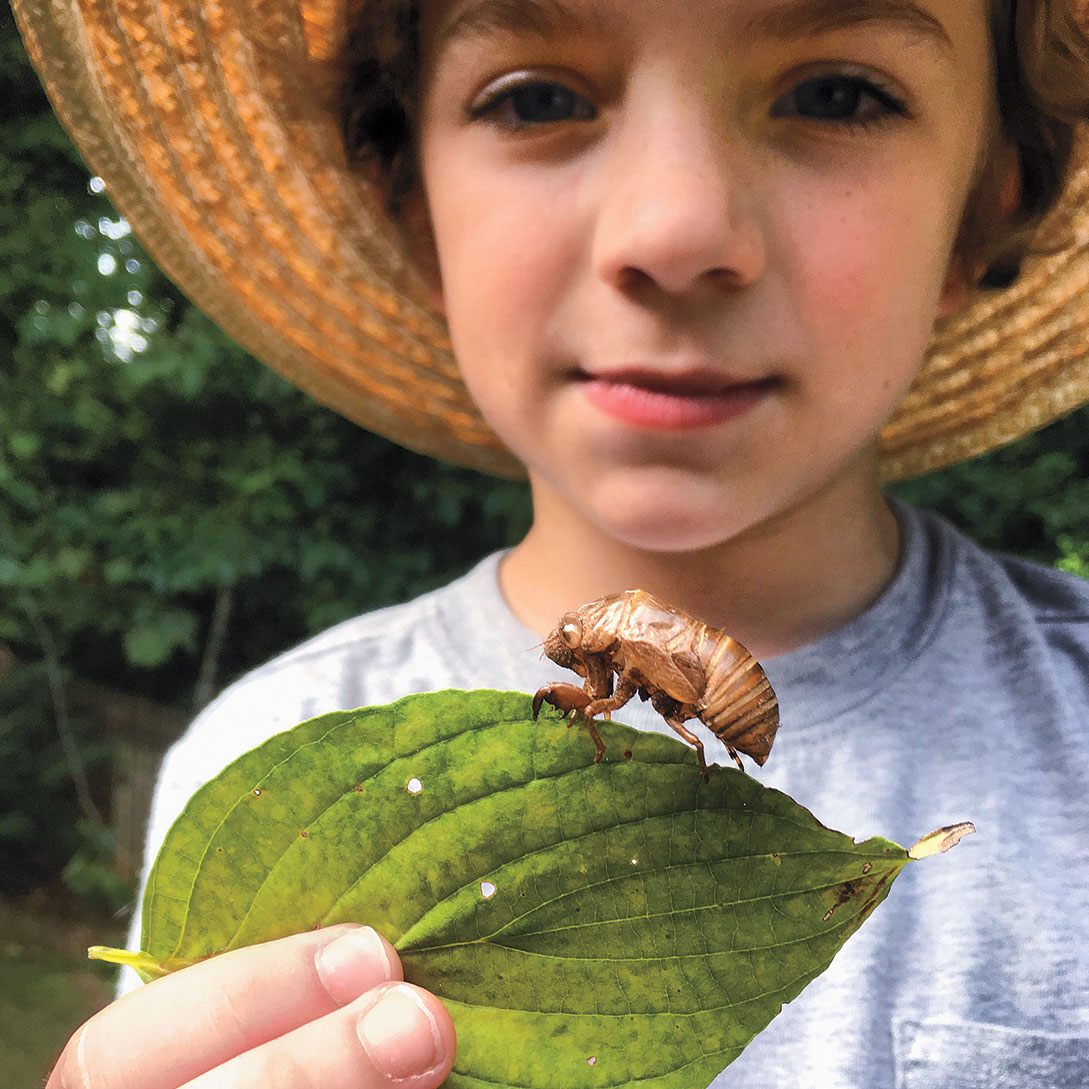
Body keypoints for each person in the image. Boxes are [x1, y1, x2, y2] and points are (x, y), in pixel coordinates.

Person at [13, 0, 1089, 1084]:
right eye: (538, 100)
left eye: (836, 94)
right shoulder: (255, 745)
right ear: (414, 207)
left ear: (985, 209)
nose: (674, 232)